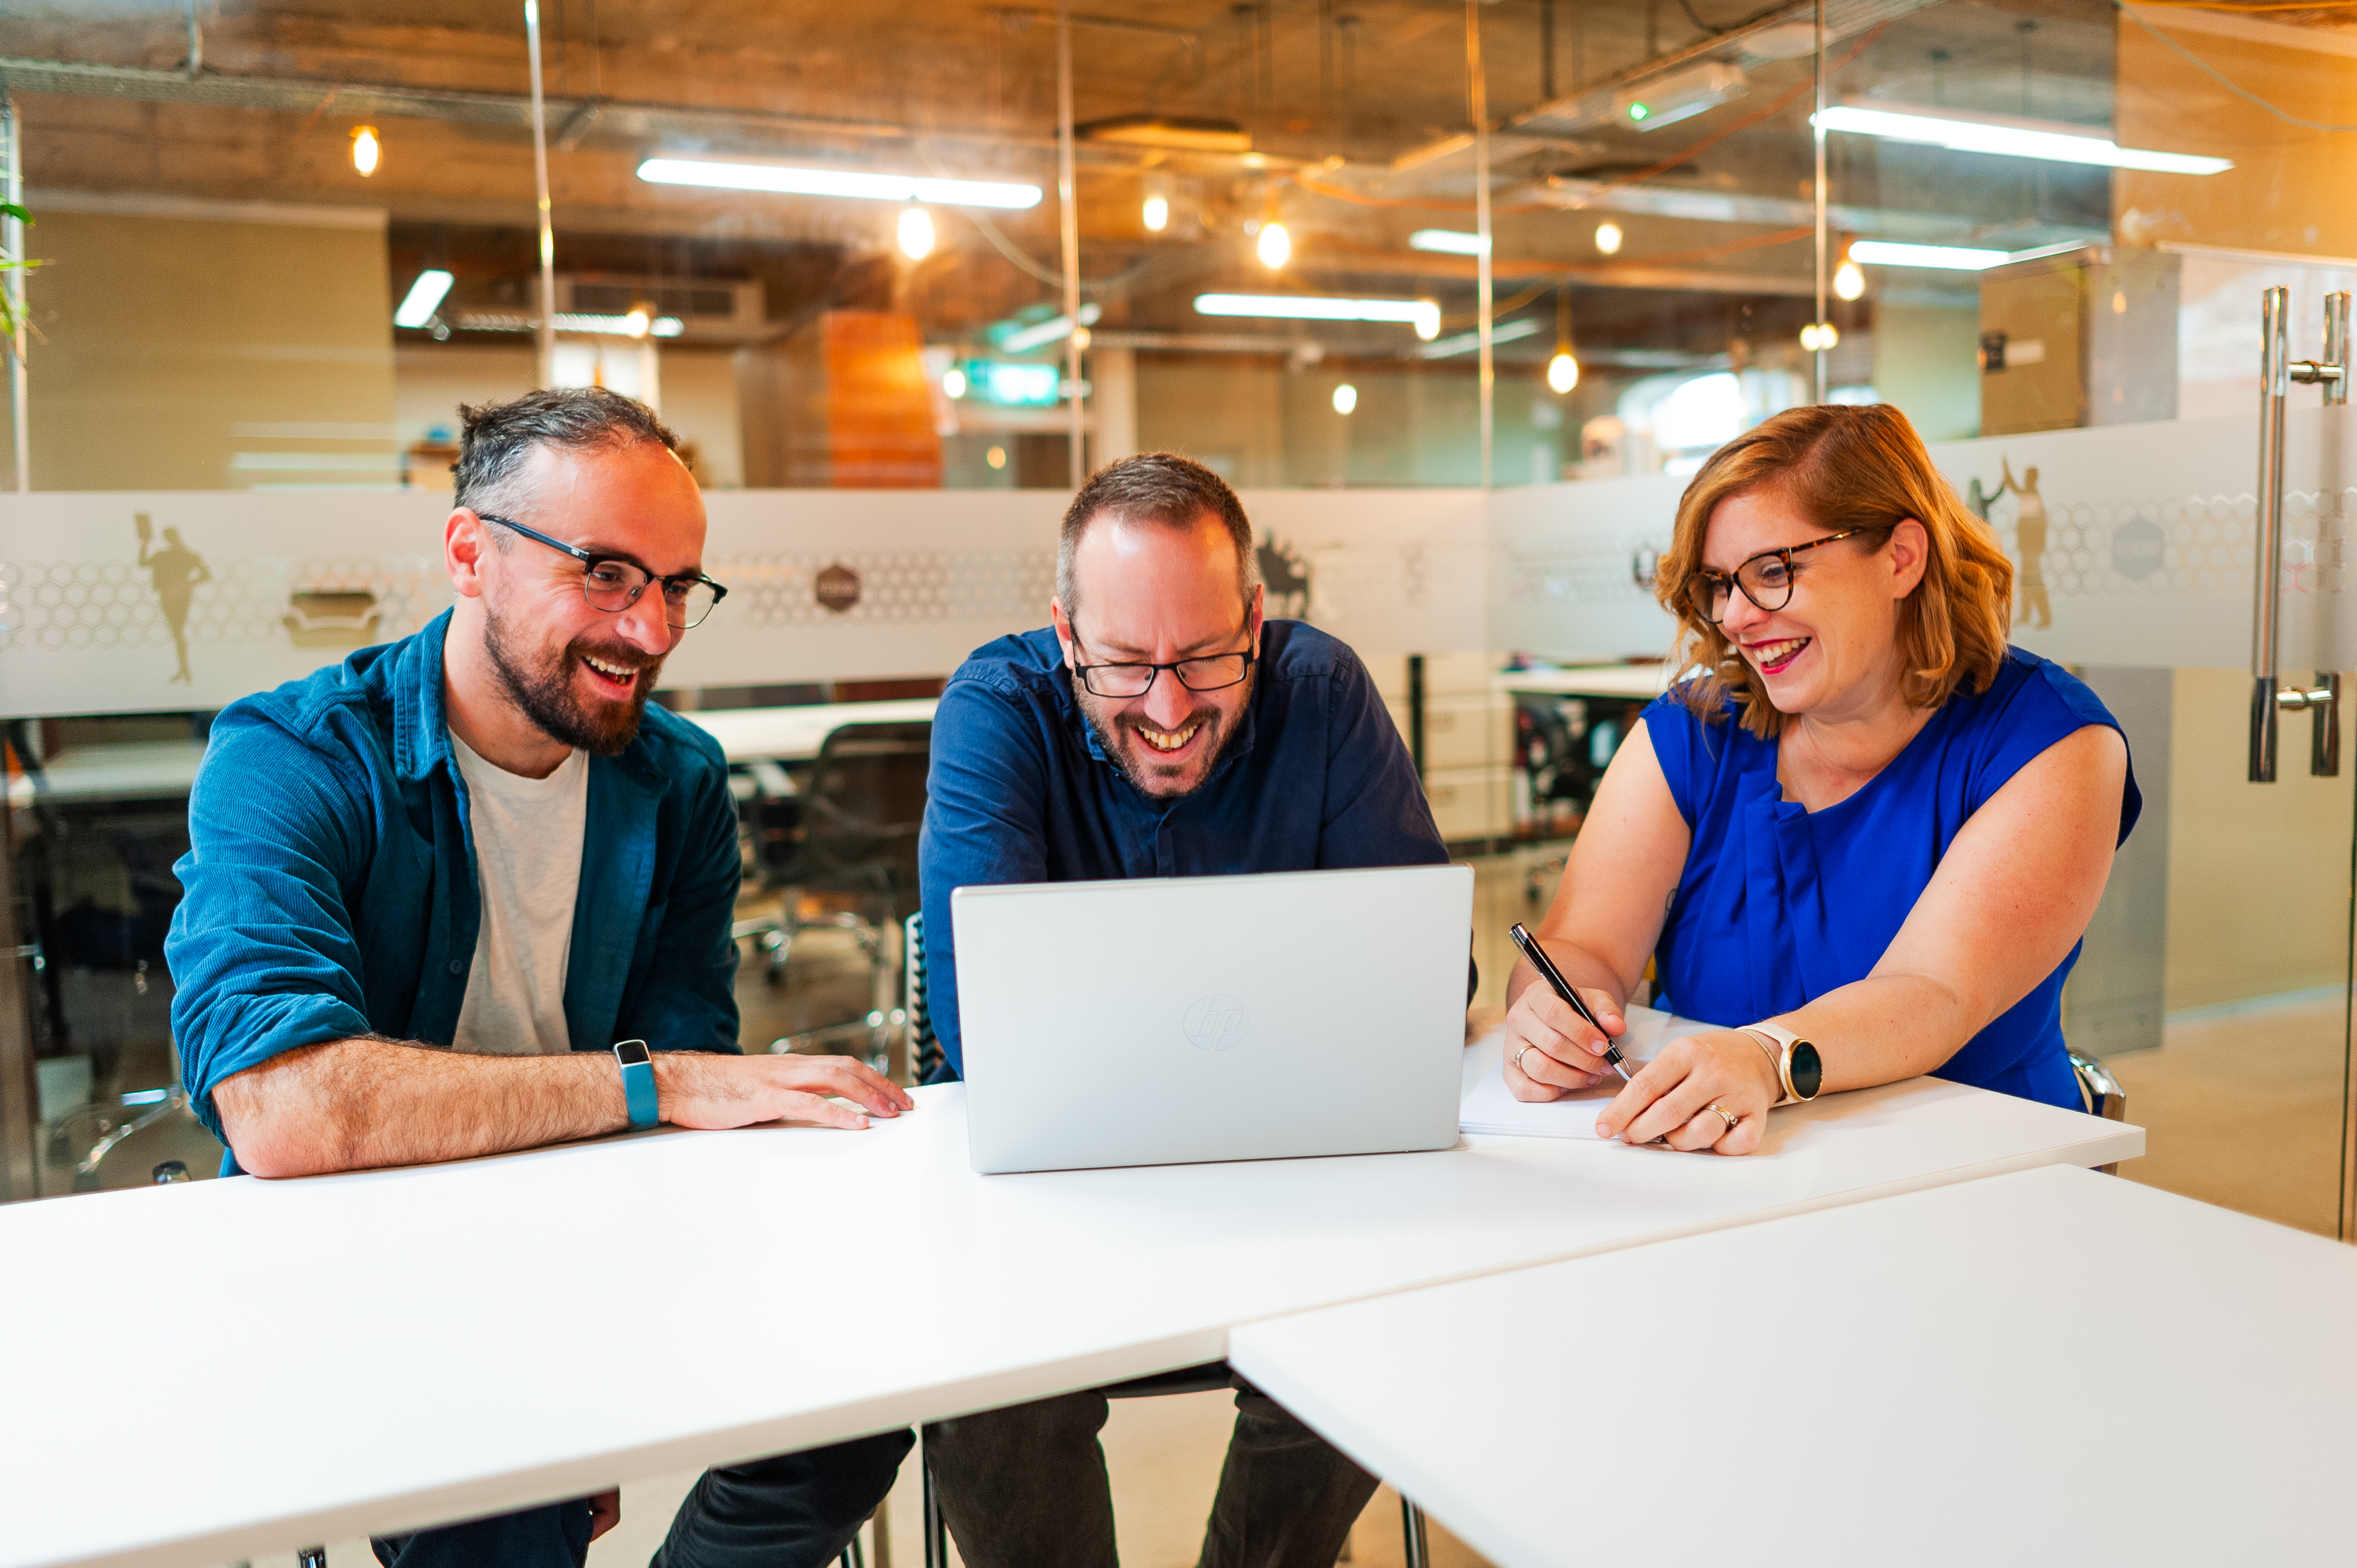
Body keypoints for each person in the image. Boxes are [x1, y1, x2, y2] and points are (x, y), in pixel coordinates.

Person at [165, 388, 916, 1568]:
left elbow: (693, 1092)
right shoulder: (295, 756)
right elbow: (285, 1108)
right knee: (507, 1494)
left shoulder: (676, 783)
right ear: (471, 553)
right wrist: (647, 1086)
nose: (653, 630)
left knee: (856, 1398)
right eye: (608, 574)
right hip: (368, 1274)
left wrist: (614, 1332)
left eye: (677, 586)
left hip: (588, 1243)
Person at [914, 451, 1449, 1568]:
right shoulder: (996, 708)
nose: (1167, 708)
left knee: (1393, 1319)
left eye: (1208, 658)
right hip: (1061, 1214)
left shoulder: (1323, 691)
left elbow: (1424, 989)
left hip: (1291, 1192)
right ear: (1065, 636)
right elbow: (986, 1042)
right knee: (987, 1384)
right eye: (1123, 665)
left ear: (1256, 615)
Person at [1504, 403, 2137, 1152]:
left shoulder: (2048, 743)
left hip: (1971, 1173)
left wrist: (1764, 1057)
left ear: (1901, 557)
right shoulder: (1693, 732)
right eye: (1719, 584)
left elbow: (1933, 993)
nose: (1735, 616)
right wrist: (1551, 1009)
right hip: (1714, 1167)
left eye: (1773, 571)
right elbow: (1582, 944)